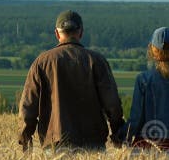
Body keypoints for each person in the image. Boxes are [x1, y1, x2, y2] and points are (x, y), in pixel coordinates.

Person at [18, 10, 124, 151]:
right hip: (93, 143)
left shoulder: (42, 62)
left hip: (54, 142)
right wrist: (118, 133)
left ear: (57, 33)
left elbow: (28, 107)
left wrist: (25, 137)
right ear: (81, 32)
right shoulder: (97, 60)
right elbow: (112, 104)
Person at [118, 27, 169, 158]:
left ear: (152, 50)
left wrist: (123, 138)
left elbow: (136, 119)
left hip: (143, 148)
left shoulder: (143, 80)